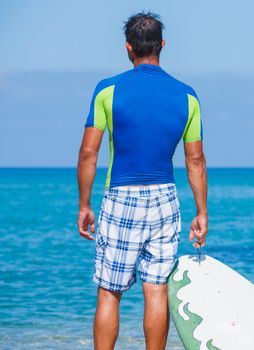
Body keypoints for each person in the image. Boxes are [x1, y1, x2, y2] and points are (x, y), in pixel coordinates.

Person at [76, 11, 208, 350]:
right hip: (165, 198)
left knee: (110, 291)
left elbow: (89, 153)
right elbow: (195, 160)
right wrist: (201, 212)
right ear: (162, 45)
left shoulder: (108, 90)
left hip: (121, 196)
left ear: (128, 48)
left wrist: (84, 204)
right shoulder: (187, 96)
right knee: (156, 288)